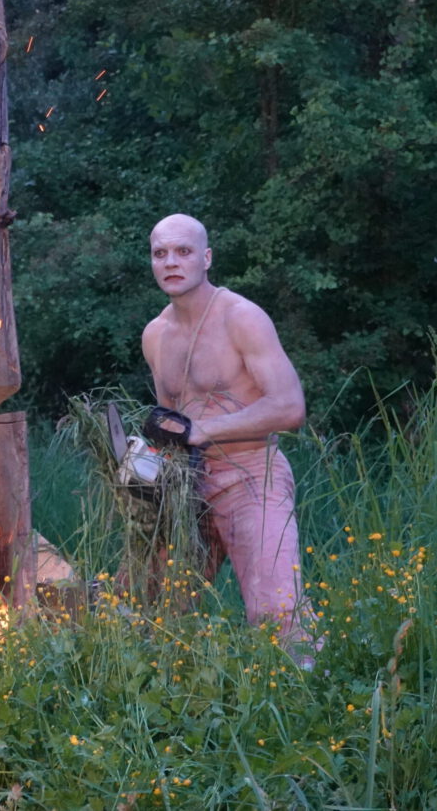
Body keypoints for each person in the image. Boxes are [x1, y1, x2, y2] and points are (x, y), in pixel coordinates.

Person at [141, 213, 318, 668]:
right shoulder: (155, 335)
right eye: (161, 253)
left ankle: (312, 695)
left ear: (206, 258)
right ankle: (170, 700)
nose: (171, 262)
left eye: (183, 251)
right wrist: (144, 468)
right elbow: (171, 424)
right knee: (152, 610)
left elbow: (289, 407)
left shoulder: (242, 317)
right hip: (189, 485)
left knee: (278, 612)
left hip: (250, 474)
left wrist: (206, 430)